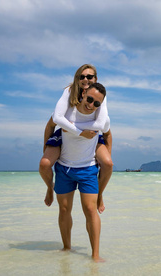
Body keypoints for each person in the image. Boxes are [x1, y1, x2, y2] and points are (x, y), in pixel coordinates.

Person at [39, 64, 113, 213]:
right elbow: (54, 121)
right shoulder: (70, 91)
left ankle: (100, 194)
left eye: (89, 76)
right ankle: (49, 188)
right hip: (66, 135)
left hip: (90, 134)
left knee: (107, 163)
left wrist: (74, 127)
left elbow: (101, 125)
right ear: (77, 79)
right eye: (82, 76)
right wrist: (46, 149)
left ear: (96, 78)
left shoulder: (100, 95)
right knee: (45, 164)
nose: (86, 79)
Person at [54, 83, 110, 262]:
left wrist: (107, 154)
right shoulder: (68, 113)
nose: (91, 105)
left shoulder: (99, 118)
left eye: (97, 103)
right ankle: (66, 248)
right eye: (90, 99)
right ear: (83, 93)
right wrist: (78, 131)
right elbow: (55, 119)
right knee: (64, 209)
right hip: (64, 167)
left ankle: (95, 255)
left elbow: (106, 130)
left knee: (90, 210)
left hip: (87, 168)